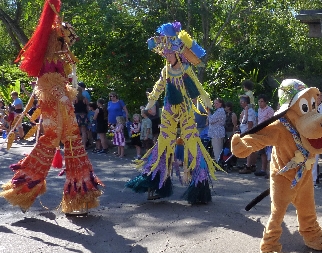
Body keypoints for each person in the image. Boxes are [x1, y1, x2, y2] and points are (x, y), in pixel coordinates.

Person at [1, 0, 103, 214]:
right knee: (49, 141)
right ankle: (23, 190)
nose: (66, 45)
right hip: (52, 105)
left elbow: (63, 80)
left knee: (75, 142)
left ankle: (80, 196)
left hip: (64, 105)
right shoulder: (48, 58)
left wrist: (66, 94)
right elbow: (47, 82)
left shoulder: (59, 58)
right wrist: (62, 95)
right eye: (63, 40)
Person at [126, 22, 221, 204]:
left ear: (177, 52)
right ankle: (156, 184)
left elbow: (199, 89)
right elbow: (158, 88)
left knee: (192, 143)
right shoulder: (166, 70)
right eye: (165, 52)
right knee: (163, 144)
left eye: (169, 51)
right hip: (169, 111)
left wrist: (208, 105)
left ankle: (200, 187)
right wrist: (150, 103)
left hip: (185, 110)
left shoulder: (186, 70)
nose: (166, 54)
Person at [254, 94, 275, 177]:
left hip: (268, 132)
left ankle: (270, 171)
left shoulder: (269, 110)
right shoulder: (259, 109)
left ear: (265, 102)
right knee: (262, 152)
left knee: (269, 152)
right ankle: (263, 169)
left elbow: (272, 121)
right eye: (259, 101)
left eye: (262, 101)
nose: (260, 103)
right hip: (260, 133)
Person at [238, 95, 257, 174]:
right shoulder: (246, 111)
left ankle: (248, 166)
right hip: (246, 131)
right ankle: (251, 165)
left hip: (249, 132)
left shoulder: (250, 111)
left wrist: (248, 134)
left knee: (249, 149)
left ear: (246, 102)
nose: (240, 103)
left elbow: (250, 123)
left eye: (241, 102)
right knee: (251, 150)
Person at [206, 98, 226, 162]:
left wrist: (208, 112)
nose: (215, 105)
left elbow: (211, 120)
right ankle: (219, 162)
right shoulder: (219, 111)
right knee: (217, 149)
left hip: (217, 133)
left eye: (216, 103)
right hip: (216, 133)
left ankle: (219, 163)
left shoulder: (220, 111)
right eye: (214, 103)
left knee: (217, 149)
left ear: (221, 103)